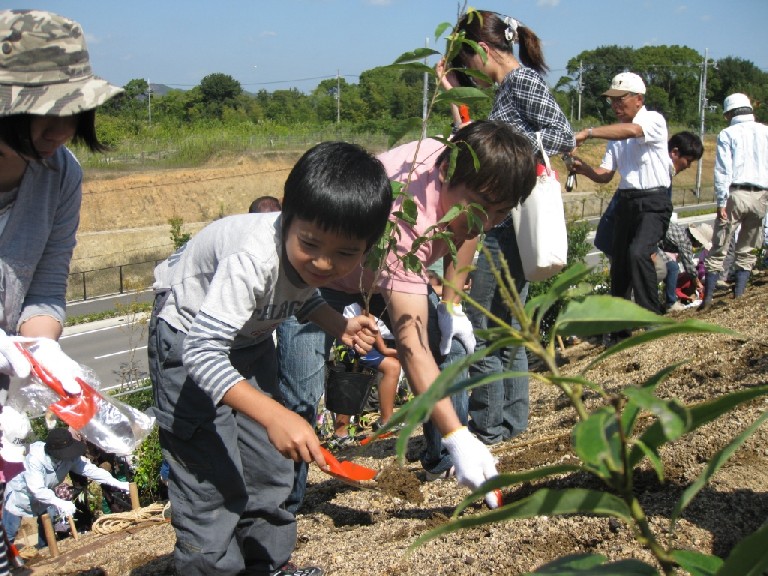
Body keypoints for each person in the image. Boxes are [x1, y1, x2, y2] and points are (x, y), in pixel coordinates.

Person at [147, 141, 392, 576]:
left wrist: (340, 325)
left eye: (345, 254)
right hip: (190, 341)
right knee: (210, 477)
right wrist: (275, 413)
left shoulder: (308, 259)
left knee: (270, 466)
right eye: (311, 243)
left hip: (249, 343)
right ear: (286, 218)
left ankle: (268, 565)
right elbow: (203, 352)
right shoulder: (253, 257)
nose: (322, 261)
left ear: (366, 247)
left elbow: (300, 294)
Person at [277, 120, 537, 512]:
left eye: (500, 212)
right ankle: (285, 505)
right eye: (483, 208)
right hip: (319, 273)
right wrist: (460, 435)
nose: (488, 220)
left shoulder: (465, 170)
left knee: (449, 350)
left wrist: (451, 305)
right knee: (300, 388)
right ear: (446, 172)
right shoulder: (404, 220)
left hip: (387, 275)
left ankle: (443, 462)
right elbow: (412, 348)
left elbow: (466, 233)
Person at [0, 10, 122, 573]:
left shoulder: (61, 174)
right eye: (46, 113)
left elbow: (45, 287)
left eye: (74, 112)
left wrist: (40, 356)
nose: (63, 130)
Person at [437, 10, 575, 446]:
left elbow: (562, 135)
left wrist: (512, 146)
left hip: (508, 217)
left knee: (480, 324)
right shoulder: (505, 89)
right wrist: (456, 99)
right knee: (508, 326)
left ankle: (488, 427)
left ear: (484, 51)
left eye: (467, 58)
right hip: (507, 213)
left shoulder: (521, 82)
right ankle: (511, 423)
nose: (468, 68)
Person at [572, 72, 673, 317]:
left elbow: (633, 131)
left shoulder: (652, 120)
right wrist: (583, 168)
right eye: (612, 100)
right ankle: (619, 327)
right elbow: (605, 174)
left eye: (621, 99)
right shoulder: (616, 134)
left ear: (638, 99)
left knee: (639, 252)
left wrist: (589, 132)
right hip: (627, 201)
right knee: (619, 265)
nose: (616, 105)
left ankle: (651, 317)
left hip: (653, 201)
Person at [2, 429, 129, 548]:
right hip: (21, 495)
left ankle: (43, 550)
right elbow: (37, 489)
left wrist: (115, 482)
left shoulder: (69, 458)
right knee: (10, 530)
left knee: (49, 521)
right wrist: (60, 502)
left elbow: (89, 469)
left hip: (46, 494)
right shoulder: (35, 459)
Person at [699, 93, 768, 310]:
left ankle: (708, 299)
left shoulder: (728, 133)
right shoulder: (766, 131)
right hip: (762, 194)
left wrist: (721, 200)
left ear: (729, 113)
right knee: (747, 247)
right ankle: (739, 295)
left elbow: (723, 170)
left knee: (720, 244)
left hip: (735, 193)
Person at [328, 303, 402, 449]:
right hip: (356, 336)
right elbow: (367, 315)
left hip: (367, 337)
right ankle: (341, 433)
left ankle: (385, 420)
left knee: (354, 375)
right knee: (352, 375)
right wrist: (383, 348)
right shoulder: (368, 283)